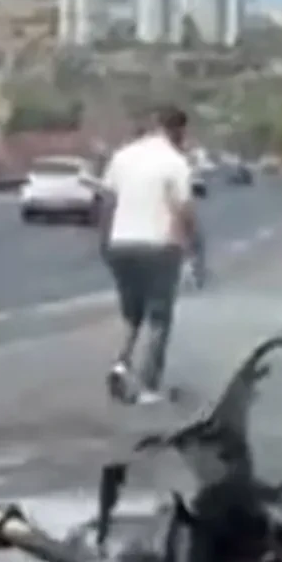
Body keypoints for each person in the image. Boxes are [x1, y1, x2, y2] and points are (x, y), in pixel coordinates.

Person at [100, 105, 204, 404]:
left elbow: (107, 202)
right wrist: (193, 249)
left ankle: (120, 365)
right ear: (178, 130)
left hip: (121, 245)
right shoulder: (175, 162)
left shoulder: (123, 156)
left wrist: (105, 243)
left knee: (132, 315)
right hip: (159, 246)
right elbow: (184, 210)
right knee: (159, 318)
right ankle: (148, 387)